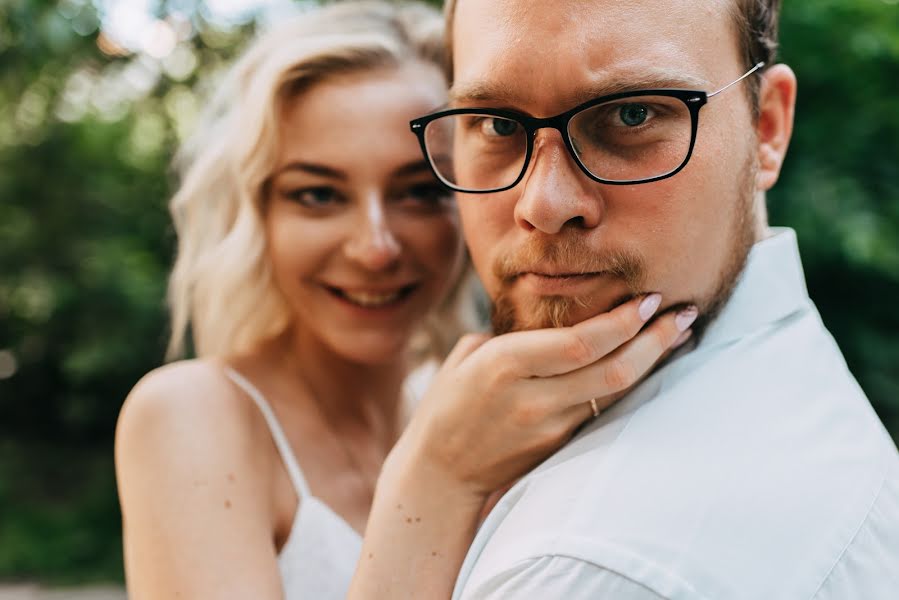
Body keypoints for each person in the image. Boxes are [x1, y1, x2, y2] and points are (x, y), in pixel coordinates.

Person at [115, 2, 692, 598]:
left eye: (418, 192)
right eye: (317, 195)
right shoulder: (190, 415)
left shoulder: (476, 410)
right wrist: (437, 480)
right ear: (255, 213)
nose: (375, 248)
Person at [364, 0, 899, 598]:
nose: (542, 205)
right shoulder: (799, 385)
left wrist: (428, 487)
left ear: (766, 126)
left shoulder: (587, 567)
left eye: (631, 115)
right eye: (499, 124)